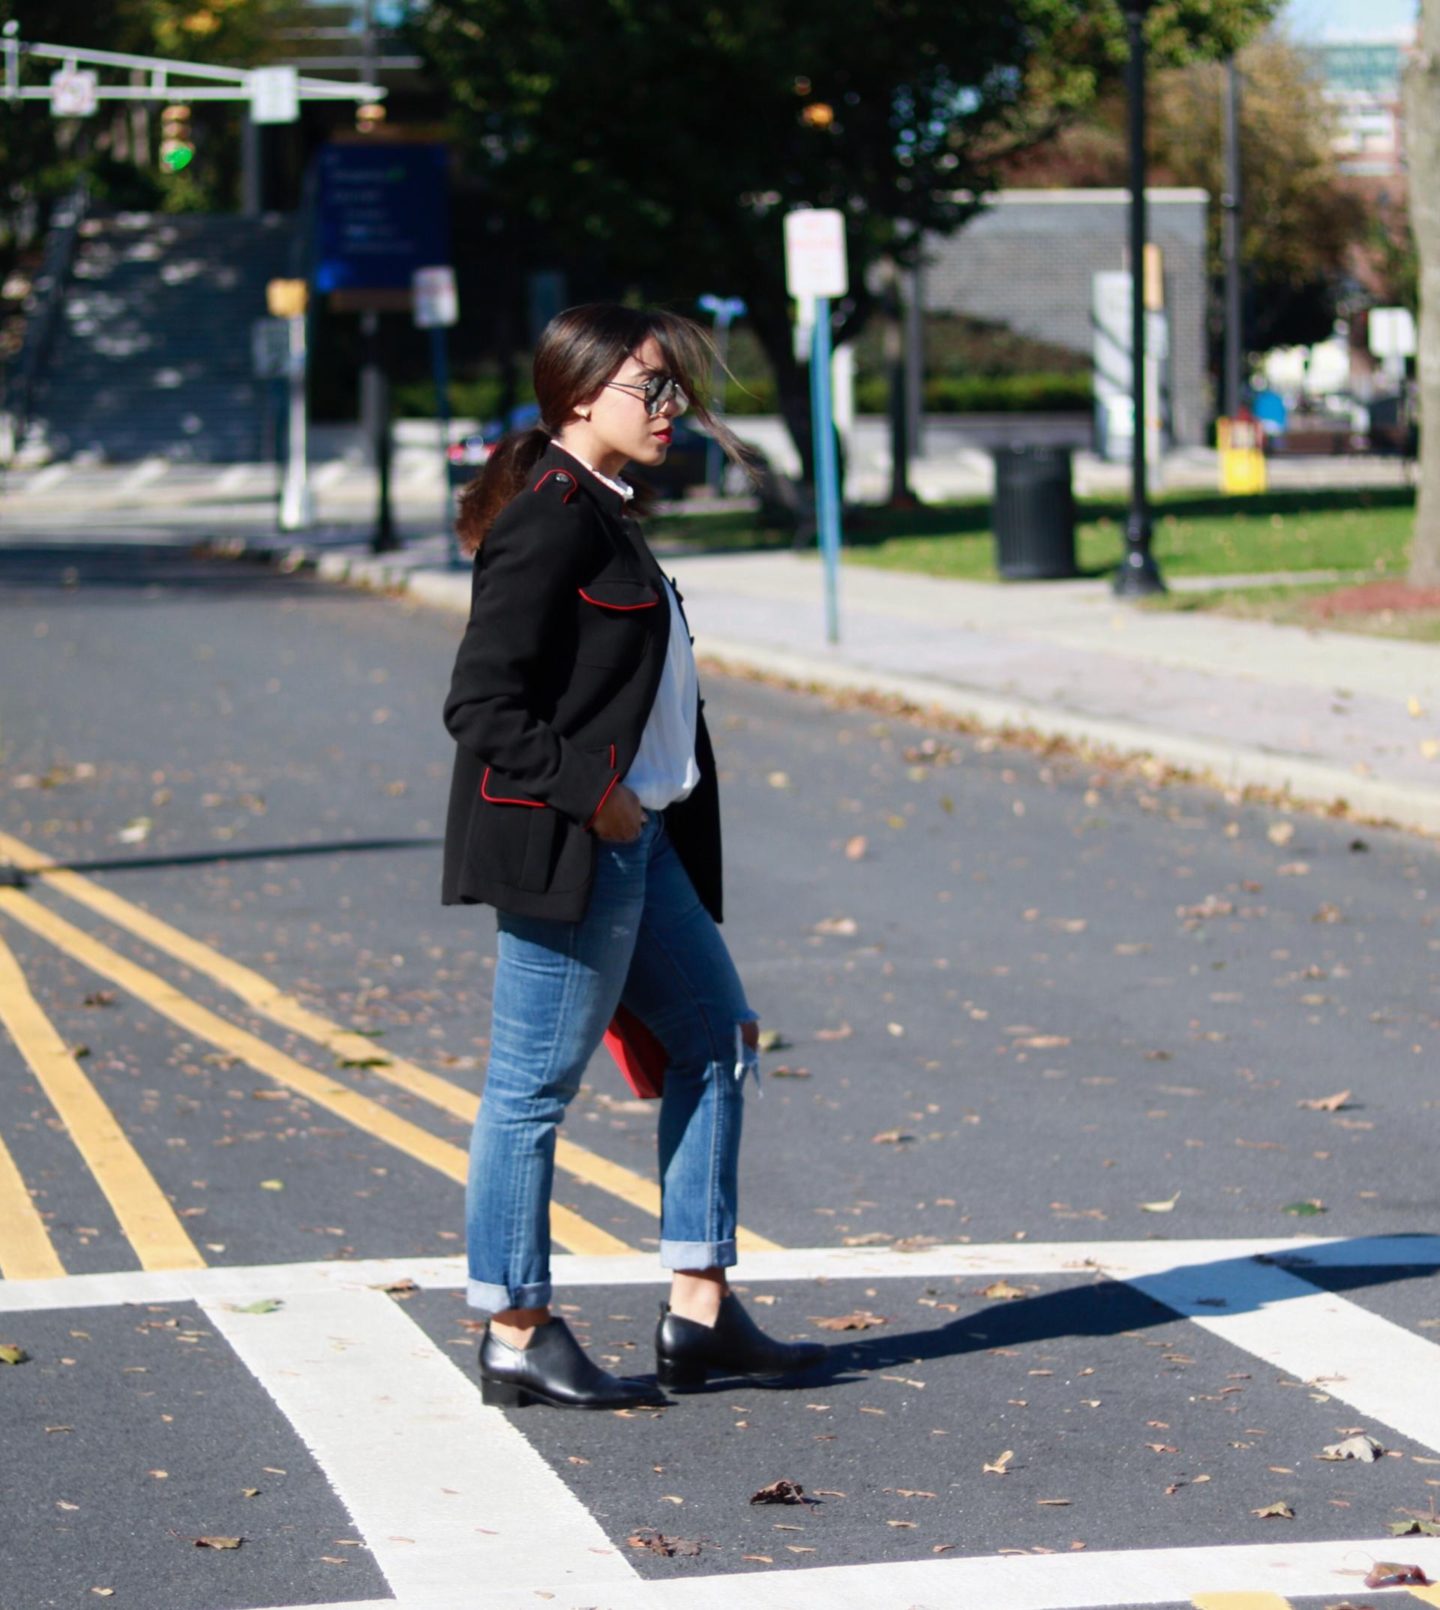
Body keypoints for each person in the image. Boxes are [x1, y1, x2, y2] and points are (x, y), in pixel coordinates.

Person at [442, 304, 824, 1410]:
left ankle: (699, 1311)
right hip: (580, 843)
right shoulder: (550, 521)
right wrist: (593, 796)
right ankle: (516, 1324)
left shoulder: (607, 516)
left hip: (643, 841)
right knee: (528, 1091)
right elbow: (480, 702)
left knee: (714, 1036)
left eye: (673, 391)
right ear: (577, 397)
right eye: (650, 390)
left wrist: (638, 813)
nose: (672, 411)